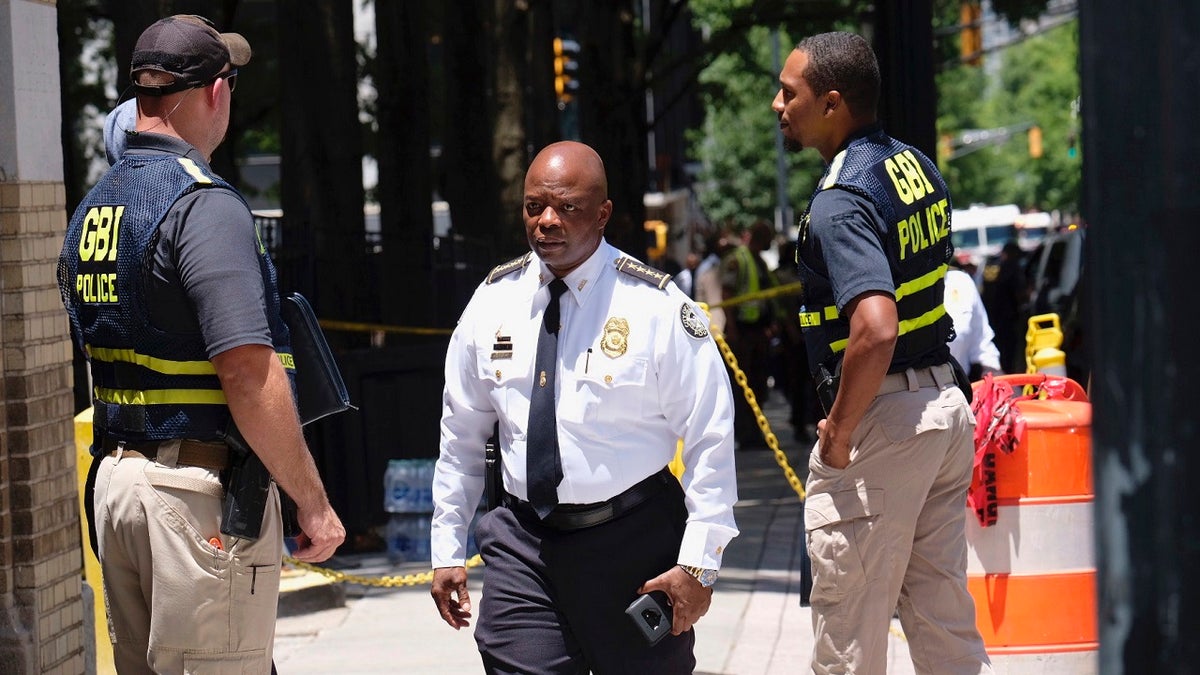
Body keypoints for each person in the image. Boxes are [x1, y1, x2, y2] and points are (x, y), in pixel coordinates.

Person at [58, 15, 345, 673]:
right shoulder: (202, 204)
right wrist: (313, 499)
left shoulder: (95, 208)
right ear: (215, 91)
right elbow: (248, 371)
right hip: (195, 500)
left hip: (120, 488)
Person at [430, 141, 739, 674]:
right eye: (534, 207)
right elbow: (460, 437)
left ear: (602, 214)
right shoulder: (492, 302)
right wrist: (447, 548)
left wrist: (699, 564)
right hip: (524, 544)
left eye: (566, 207)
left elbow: (711, 438)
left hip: (635, 547)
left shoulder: (655, 308)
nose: (546, 221)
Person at [773, 32, 992, 674]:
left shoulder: (840, 200)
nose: (777, 104)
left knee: (849, 641)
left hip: (883, 426)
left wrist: (838, 433)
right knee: (943, 621)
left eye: (791, 93)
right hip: (943, 411)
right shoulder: (914, 166)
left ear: (833, 103)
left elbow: (873, 326)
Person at [721, 219, 779, 448]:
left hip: (758, 333)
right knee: (743, 385)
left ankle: (756, 432)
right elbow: (727, 294)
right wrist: (733, 329)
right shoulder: (738, 260)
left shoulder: (760, 262)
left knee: (759, 384)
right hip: (742, 333)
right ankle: (745, 435)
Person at [945, 266, 1003, 379]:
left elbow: (981, 343)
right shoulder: (902, 285)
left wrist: (994, 373)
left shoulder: (961, 281)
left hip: (959, 386)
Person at [980, 240, 1028, 373]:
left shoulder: (990, 266)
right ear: (1012, 254)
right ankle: (1008, 374)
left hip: (990, 317)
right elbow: (1020, 292)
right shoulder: (1012, 266)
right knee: (1009, 352)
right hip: (1007, 317)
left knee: (996, 350)